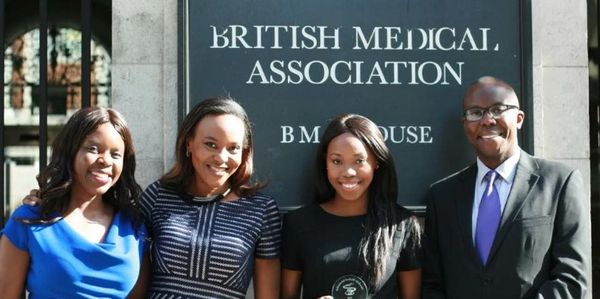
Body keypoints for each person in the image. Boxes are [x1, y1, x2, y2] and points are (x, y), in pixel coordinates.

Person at [421, 76, 591, 298]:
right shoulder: (441, 196)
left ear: (519, 118)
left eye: (498, 109)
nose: (487, 120)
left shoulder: (560, 182)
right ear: (465, 125)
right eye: (475, 112)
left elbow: (572, 278)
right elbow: (432, 284)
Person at [0, 107, 149, 298]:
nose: (105, 160)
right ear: (70, 152)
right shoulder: (29, 220)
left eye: (115, 154)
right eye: (93, 149)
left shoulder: (134, 226)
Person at [141, 97, 281, 298]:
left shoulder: (261, 210)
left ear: (244, 152)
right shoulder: (158, 195)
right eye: (211, 144)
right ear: (189, 143)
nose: (222, 158)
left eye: (233, 148)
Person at [281, 114, 422, 299]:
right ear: (325, 163)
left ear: (376, 162)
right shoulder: (298, 224)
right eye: (337, 161)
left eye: (359, 161)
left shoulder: (403, 225)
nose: (348, 172)